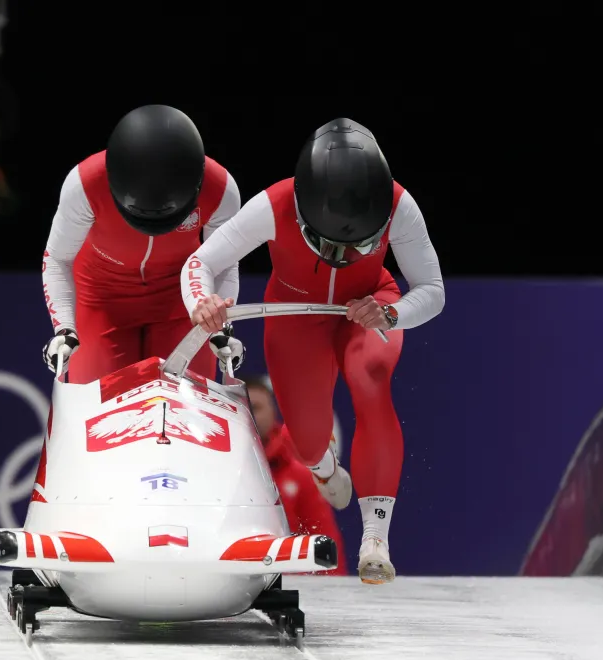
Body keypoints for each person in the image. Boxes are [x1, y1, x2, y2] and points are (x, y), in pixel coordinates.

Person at [182, 118, 446, 584]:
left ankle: (376, 538)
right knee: (306, 441)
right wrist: (202, 302)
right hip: (293, 316)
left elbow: (432, 290)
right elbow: (201, 261)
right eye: (329, 246)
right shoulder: (273, 204)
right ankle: (323, 468)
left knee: (372, 379)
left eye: (358, 246)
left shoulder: (400, 207)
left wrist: (390, 315)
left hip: (368, 307)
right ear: (304, 214)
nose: (343, 257)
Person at [41, 104, 245, 382]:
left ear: (196, 186)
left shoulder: (222, 190)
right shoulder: (84, 185)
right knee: (102, 418)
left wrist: (219, 326)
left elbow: (223, 264)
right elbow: (58, 258)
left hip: (182, 303)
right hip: (101, 302)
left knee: (186, 416)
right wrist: (65, 328)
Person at [245, 374, 348, 575]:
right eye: (242, 406)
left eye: (256, 407)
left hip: (292, 592)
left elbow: (324, 543)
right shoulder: (214, 472)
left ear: (273, 412)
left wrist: (336, 594)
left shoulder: (301, 477)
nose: (249, 413)